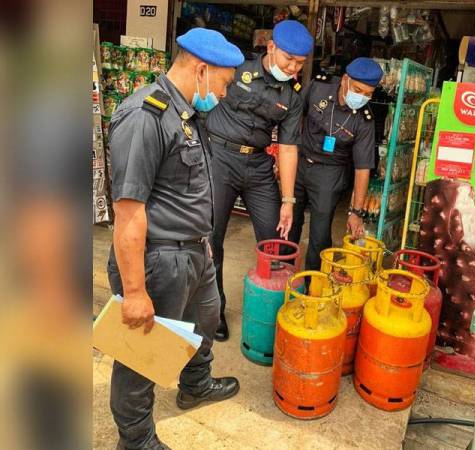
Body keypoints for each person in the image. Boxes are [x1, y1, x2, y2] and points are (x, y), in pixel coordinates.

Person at [106, 28, 244, 450]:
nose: (223, 94)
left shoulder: (186, 113)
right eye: (223, 83)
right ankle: (136, 439)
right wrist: (134, 291)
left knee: (203, 324)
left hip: (195, 251)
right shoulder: (145, 116)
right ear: (202, 69)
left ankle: (195, 385)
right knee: (142, 356)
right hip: (159, 259)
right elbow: (128, 212)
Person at [206, 20, 314, 341]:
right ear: (271, 48)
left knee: (273, 243)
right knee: (212, 238)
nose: (293, 68)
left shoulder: (293, 97)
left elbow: (289, 147)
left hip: (258, 166)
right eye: (288, 60)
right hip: (219, 159)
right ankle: (215, 311)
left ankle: (272, 311)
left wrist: (288, 200)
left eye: (299, 64)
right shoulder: (237, 67)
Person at [288, 57, 384, 271]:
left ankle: (314, 284)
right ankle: (283, 273)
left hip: (329, 174)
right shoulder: (319, 87)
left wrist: (356, 212)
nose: (362, 97)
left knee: (319, 235)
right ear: (345, 79)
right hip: (300, 162)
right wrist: (284, 153)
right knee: (289, 224)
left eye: (368, 94)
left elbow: (362, 169)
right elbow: (294, 115)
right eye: (358, 90)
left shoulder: (364, 120)